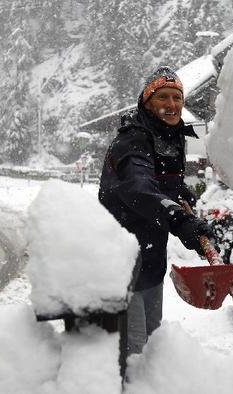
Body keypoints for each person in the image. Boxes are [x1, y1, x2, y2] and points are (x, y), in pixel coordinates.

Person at [98, 66, 214, 356]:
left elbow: (160, 181)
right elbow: (139, 188)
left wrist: (181, 195)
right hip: (121, 259)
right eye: (163, 97)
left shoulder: (170, 136)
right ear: (147, 103)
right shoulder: (133, 139)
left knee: (152, 340)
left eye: (177, 98)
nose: (172, 104)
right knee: (132, 347)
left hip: (150, 257)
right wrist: (179, 219)